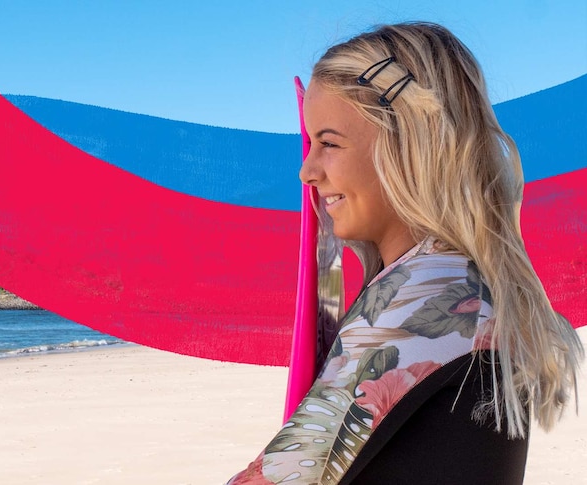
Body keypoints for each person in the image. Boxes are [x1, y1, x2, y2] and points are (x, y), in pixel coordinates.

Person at [226, 22, 583, 484]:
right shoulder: (467, 282)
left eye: (329, 143)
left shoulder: (424, 298)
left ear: (410, 146)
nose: (306, 170)